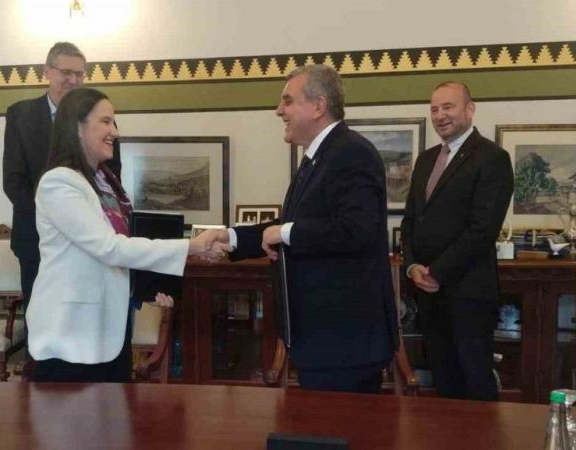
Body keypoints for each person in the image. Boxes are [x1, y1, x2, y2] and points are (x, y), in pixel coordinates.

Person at [212, 64, 399, 393]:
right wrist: (231, 237)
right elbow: (292, 224)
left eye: (287, 101)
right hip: (325, 342)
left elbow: (356, 231)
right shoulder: (320, 156)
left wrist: (284, 233)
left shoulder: (351, 152)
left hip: (345, 343)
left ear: (318, 106)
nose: (278, 111)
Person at [26, 87, 227, 382]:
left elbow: (124, 247)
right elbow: (110, 248)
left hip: (111, 329)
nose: (115, 132)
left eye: (114, 122)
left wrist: (154, 286)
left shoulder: (105, 182)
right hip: (71, 336)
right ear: (78, 127)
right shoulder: (59, 183)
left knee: (116, 411)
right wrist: (192, 247)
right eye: (105, 121)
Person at [401, 81, 513, 401]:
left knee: (475, 383)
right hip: (428, 295)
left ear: (470, 109)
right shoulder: (426, 160)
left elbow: (482, 229)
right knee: (444, 382)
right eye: (434, 109)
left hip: (468, 295)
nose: (440, 115)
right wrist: (412, 265)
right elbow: (411, 221)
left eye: (448, 107)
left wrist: (437, 271)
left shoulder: (492, 158)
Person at [3, 42, 120, 312]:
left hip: (91, 235)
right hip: (34, 238)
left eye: (80, 74)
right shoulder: (20, 115)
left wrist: (83, 219)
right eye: (66, 72)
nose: (73, 80)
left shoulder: (100, 117)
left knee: (86, 314)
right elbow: (13, 180)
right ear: (47, 71)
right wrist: (54, 216)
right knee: (40, 313)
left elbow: (112, 175)